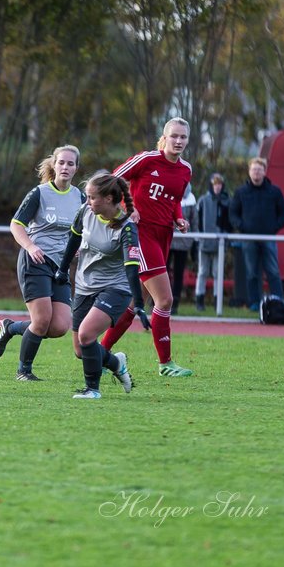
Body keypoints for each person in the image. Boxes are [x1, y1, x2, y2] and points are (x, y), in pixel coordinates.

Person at [98, 119, 194, 377]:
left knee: (133, 303)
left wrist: (178, 218)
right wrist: (129, 208)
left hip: (164, 236)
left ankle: (99, 355)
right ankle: (166, 363)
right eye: (174, 136)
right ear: (164, 137)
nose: (178, 141)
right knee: (165, 299)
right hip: (140, 235)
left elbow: (173, 200)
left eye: (183, 137)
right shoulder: (147, 159)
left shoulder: (185, 170)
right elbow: (111, 180)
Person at [0, 145, 83, 381]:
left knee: (59, 326)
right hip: (35, 261)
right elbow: (16, 225)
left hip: (60, 267)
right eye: (61, 162)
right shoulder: (39, 193)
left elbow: (83, 231)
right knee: (41, 321)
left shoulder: (80, 198)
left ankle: (10, 328)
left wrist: (79, 249)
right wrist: (31, 246)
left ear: (76, 168)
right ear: (54, 164)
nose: (65, 167)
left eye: (70, 163)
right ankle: (24, 371)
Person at [56, 172, 144, 399]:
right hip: (85, 285)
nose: (88, 202)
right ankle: (116, 362)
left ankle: (92, 390)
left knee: (86, 335)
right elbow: (74, 239)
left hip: (116, 288)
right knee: (80, 350)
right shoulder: (85, 212)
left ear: (108, 198)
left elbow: (132, 268)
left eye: (92, 197)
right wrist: (62, 269)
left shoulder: (126, 228)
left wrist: (140, 305)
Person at [229, 157, 284, 312]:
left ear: (264, 171)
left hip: (269, 238)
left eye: (259, 169)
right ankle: (254, 303)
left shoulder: (274, 191)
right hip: (248, 239)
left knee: (273, 271)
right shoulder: (241, 192)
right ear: (249, 172)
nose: (256, 172)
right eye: (254, 169)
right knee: (251, 273)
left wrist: (275, 228)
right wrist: (242, 227)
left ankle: (278, 301)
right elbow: (233, 213)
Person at [193, 172, 232, 311]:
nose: (217, 187)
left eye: (220, 184)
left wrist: (226, 239)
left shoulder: (226, 201)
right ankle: (199, 300)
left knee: (217, 272)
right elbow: (197, 221)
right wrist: (198, 238)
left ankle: (217, 301)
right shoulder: (203, 201)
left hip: (220, 243)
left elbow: (229, 223)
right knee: (202, 271)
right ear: (211, 185)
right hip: (204, 242)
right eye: (215, 184)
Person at [168, 184, 197, 312]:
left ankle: (175, 302)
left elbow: (194, 221)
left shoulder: (191, 200)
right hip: (167, 240)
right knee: (163, 272)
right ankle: (157, 300)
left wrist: (195, 240)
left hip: (183, 243)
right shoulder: (168, 193)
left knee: (178, 273)